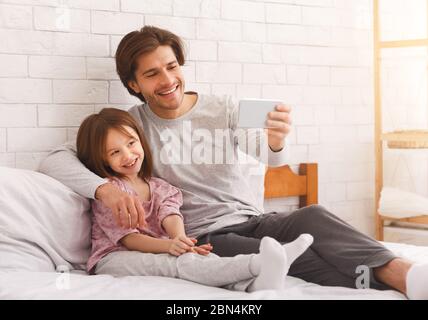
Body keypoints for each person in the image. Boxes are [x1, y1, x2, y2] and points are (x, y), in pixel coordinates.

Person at [39, 25, 428, 299]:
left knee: (314, 216)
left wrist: (275, 142)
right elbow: (56, 158)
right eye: (152, 74)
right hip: (205, 237)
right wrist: (104, 189)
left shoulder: (223, 106)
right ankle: (388, 282)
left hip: (252, 216)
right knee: (287, 253)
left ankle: (404, 273)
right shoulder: (132, 128)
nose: (168, 79)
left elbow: (267, 154)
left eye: (172, 66)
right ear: (133, 84)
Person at [75, 107, 313, 291]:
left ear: (140, 140)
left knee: (203, 258)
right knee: (179, 264)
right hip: (114, 258)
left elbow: (170, 214)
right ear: (102, 160)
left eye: (131, 143)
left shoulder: (159, 186)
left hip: (161, 249)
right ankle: (258, 263)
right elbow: (130, 240)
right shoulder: (111, 193)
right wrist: (170, 246)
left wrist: (180, 238)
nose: (128, 155)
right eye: (115, 152)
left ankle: (253, 284)